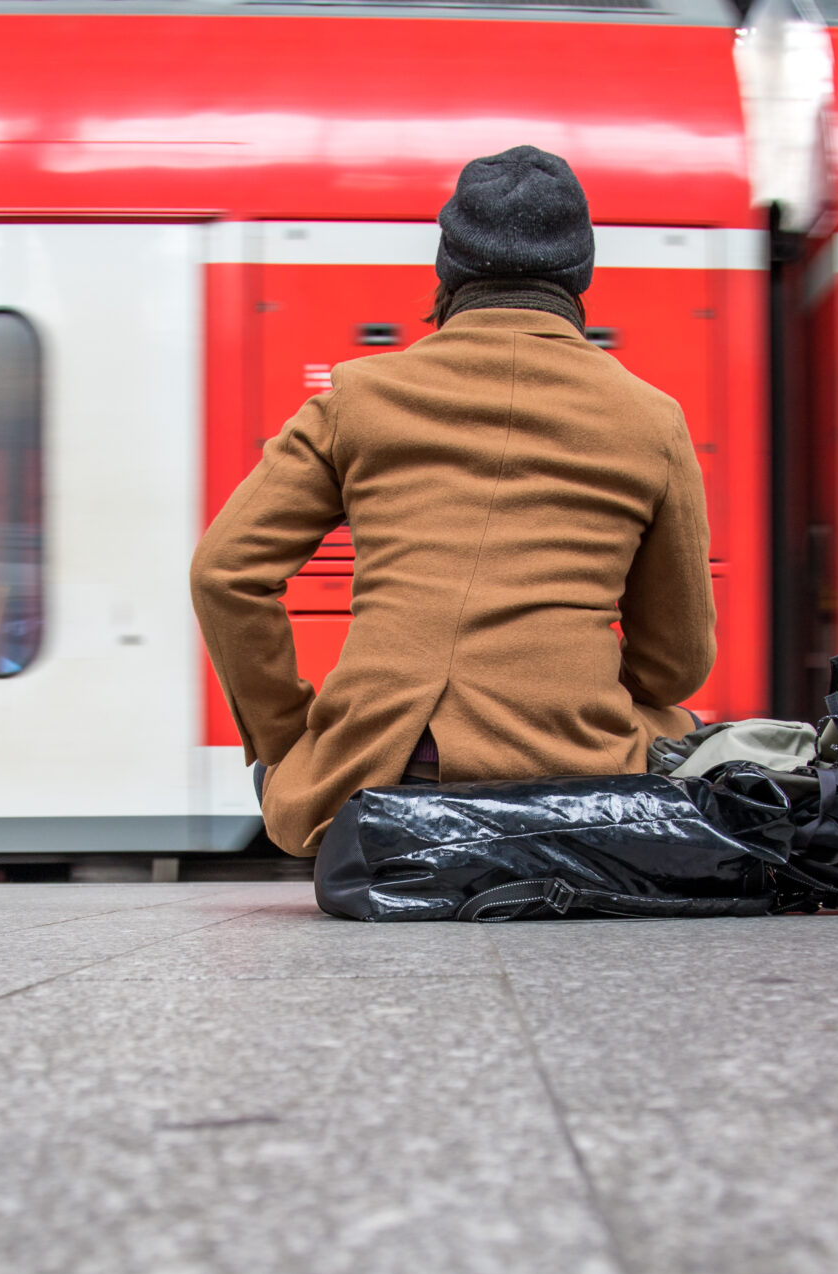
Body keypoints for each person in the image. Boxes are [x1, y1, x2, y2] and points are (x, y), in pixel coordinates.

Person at [190, 144, 716, 856]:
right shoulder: (652, 419)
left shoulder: (359, 399)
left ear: (448, 268)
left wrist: (290, 741)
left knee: (320, 760)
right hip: (572, 785)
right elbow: (674, 665)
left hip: (379, 777)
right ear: (581, 275)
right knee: (677, 718)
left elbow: (224, 573)